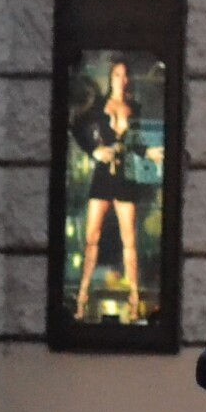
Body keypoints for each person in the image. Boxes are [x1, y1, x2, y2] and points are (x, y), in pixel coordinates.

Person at [71, 61, 163, 323]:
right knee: (91, 236)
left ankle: (135, 298)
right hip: (103, 174)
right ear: (112, 78)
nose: (122, 80)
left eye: (125, 75)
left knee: (129, 239)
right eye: (118, 75)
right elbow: (78, 128)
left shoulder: (134, 108)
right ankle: (82, 295)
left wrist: (148, 152)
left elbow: (135, 141)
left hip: (124, 175)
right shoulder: (99, 106)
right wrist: (94, 151)